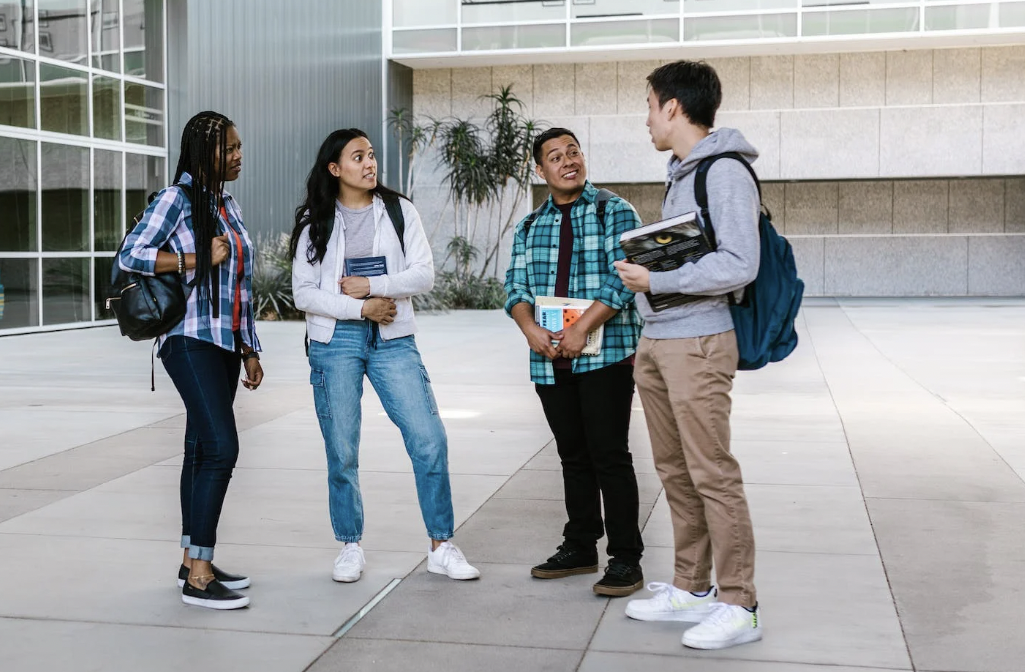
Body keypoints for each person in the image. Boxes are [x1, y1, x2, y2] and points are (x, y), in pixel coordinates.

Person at [615, 60, 763, 650]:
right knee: (675, 471)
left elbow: (739, 263)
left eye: (650, 105)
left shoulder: (724, 172)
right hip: (662, 339)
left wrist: (657, 283)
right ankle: (692, 587)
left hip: (698, 340)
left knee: (711, 473)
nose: (646, 118)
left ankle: (739, 603)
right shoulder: (682, 171)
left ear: (673, 106)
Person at [290, 128, 479, 584]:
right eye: (358, 157)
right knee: (342, 449)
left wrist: (375, 287)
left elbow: (424, 274)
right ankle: (350, 545)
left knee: (429, 438)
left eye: (371, 155)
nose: (369, 163)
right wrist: (361, 308)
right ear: (335, 169)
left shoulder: (398, 211)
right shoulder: (315, 220)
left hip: (393, 338)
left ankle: (441, 545)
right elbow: (303, 293)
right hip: (336, 342)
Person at [118, 111, 262, 611]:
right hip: (188, 339)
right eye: (229, 149)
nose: (239, 156)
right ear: (204, 155)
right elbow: (130, 255)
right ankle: (199, 577)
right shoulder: (174, 201)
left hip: (223, 342)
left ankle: (191, 560)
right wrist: (195, 258)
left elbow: (240, 285)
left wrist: (249, 348)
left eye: (239, 147)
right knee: (221, 448)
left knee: (201, 450)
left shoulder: (226, 204)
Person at [502, 127, 647, 598]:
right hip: (550, 359)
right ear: (539, 169)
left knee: (610, 456)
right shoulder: (528, 227)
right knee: (573, 456)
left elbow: (625, 279)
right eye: (555, 156)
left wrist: (583, 325)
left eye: (574, 152)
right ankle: (581, 545)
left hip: (605, 354)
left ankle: (625, 558)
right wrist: (529, 329)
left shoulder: (613, 210)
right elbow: (515, 288)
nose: (568, 161)